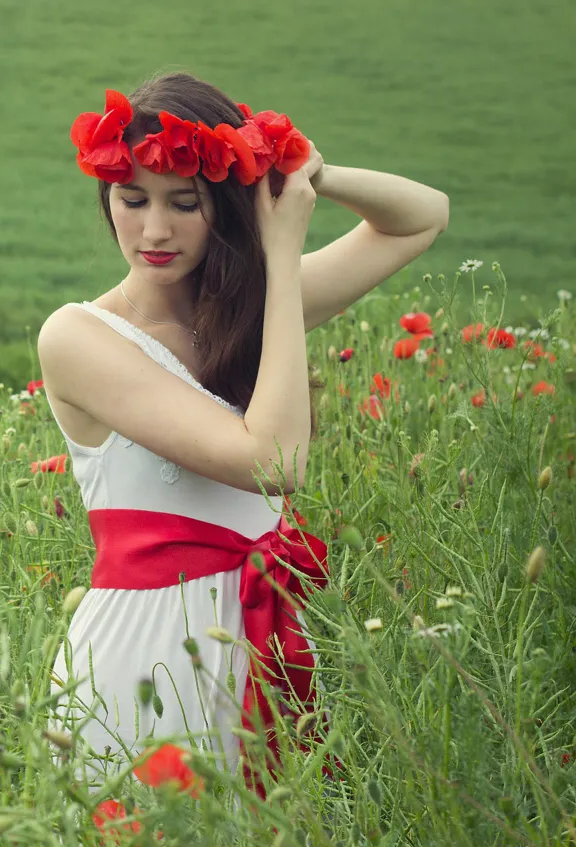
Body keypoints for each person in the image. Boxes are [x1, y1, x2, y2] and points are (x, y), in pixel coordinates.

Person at [37, 72, 449, 798]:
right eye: (131, 200)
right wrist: (282, 260)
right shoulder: (79, 338)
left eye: (184, 204)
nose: (153, 231)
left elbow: (423, 216)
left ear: (227, 206)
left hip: (259, 637)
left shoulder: (240, 313)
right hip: (144, 660)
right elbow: (275, 462)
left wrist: (303, 173)